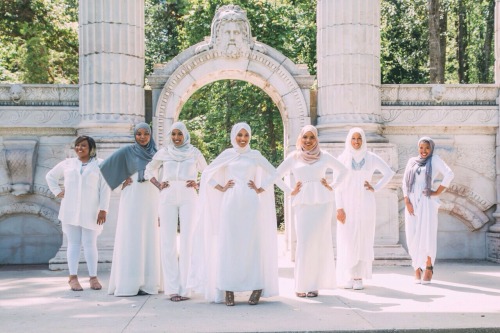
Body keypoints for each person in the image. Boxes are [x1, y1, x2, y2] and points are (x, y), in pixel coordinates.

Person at [190, 122, 284, 306]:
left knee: (252, 244)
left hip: (250, 202)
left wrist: (261, 187)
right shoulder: (227, 154)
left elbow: (275, 172)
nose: (242, 139)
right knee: (229, 244)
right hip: (230, 202)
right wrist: (220, 187)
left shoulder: (255, 155)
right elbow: (208, 172)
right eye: (239, 135)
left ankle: (256, 287)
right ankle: (228, 288)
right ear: (234, 136)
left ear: (250, 136)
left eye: (246, 135)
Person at [275, 125, 347, 297]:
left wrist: (332, 185)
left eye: (311, 138)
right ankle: (301, 284)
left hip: (322, 203)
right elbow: (275, 175)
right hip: (303, 203)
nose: (308, 141)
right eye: (305, 137)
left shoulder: (324, 156)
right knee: (304, 242)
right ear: (300, 138)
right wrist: (289, 190)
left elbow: (344, 170)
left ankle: (314, 285)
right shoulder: (294, 157)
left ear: (316, 140)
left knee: (319, 242)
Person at [145, 122, 207, 302]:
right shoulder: (164, 152)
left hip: (188, 195)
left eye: (179, 134)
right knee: (168, 241)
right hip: (168, 194)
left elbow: (208, 171)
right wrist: (158, 184)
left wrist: (198, 183)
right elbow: (149, 169)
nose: (176, 138)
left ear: (185, 135)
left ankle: (186, 288)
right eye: (173, 134)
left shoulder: (194, 152)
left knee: (188, 239)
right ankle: (172, 288)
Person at [100, 123, 161, 296]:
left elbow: (161, 176)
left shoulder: (156, 153)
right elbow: (105, 167)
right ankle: (129, 282)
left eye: (146, 134)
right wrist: (120, 183)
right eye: (139, 134)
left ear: (151, 135)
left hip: (151, 195)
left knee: (149, 235)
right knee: (131, 236)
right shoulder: (127, 151)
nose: (142, 137)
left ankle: (148, 283)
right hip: (133, 195)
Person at [46, 135, 111, 291]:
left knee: (90, 244)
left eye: (83, 146)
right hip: (70, 210)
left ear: (91, 148)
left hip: (91, 210)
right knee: (73, 244)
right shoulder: (68, 164)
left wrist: (103, 209)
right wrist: (57, 191)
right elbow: (50, 176)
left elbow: (105, 187)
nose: (80, 148)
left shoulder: (100, 164)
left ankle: (93, 277)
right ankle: (73, 277)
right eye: (77, 145)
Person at [335, 128, 395, 290]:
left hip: (365, 203)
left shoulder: (371, 158)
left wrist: (375, 187)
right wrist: (339, 208)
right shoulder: (342, 159)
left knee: (362, 237)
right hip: (347, 204)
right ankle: (349, 275)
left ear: (363, 140)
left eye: (359, 138)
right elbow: (337, 187)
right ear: (349, 140)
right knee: (347, 237)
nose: (356, 141)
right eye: (353, 138)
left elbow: (388, 173)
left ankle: (359, 277)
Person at [402, 137, 454, 284]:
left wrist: (437, 192)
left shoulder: (435, 159)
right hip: (412, 201)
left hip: (426, 202)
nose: (424, 151)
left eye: (427, 148)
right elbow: (404, 183)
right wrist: (407, 201)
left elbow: (449, 174)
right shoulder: (411, 161)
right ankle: (416, 267)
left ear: (431, 148)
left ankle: (429, 266)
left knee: (427, 234)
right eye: (421, 148)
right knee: (412, 234)